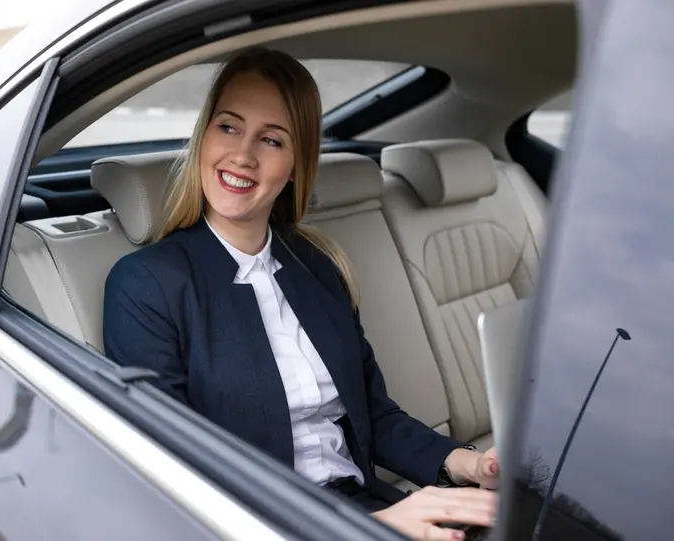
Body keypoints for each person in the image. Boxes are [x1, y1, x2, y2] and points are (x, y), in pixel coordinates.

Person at [103, 46, 499, 541]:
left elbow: (374, 415)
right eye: (228, 127)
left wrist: (468, 463)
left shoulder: (317, 267)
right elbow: (178, 473)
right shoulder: (145, 286)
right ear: (203, 136)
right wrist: (376, 525)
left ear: (295, 163)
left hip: (366, 509)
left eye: (271, 140)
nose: (243, 155)